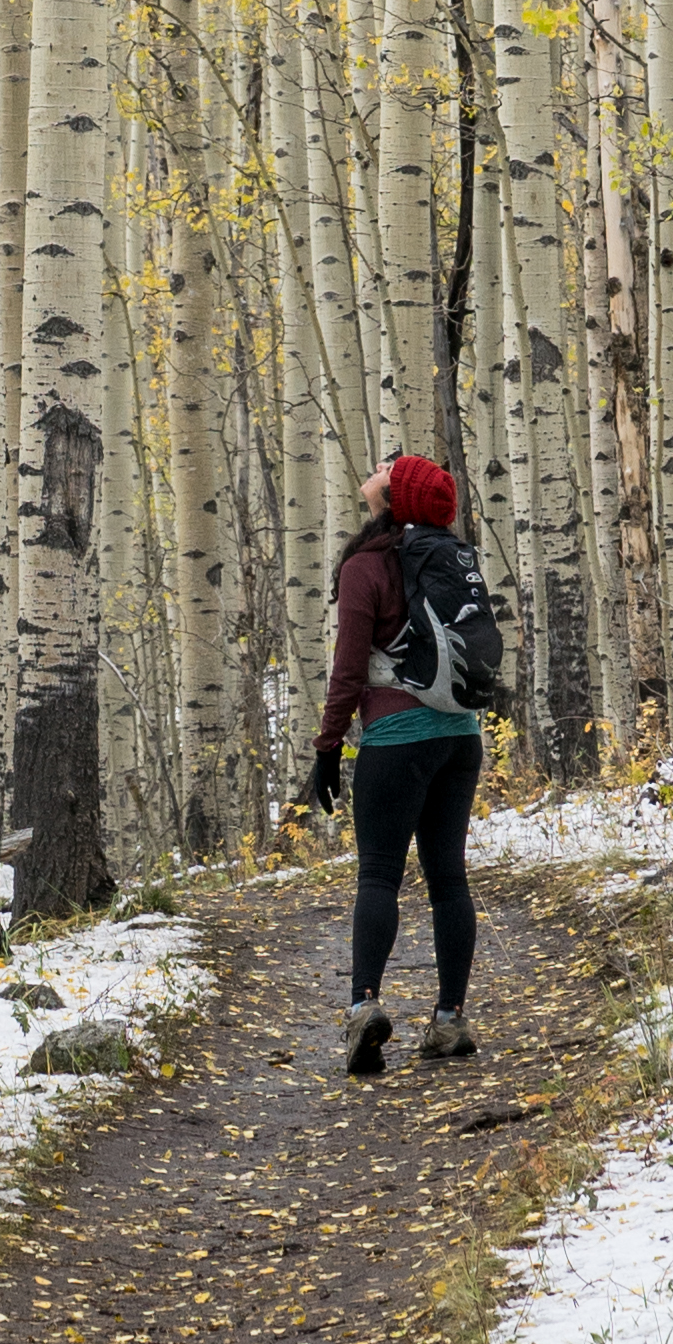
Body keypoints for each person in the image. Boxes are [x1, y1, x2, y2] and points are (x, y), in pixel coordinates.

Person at [305, 450, 484, 1075]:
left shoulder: (367, 566)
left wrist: (328, 749)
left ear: (391, 498)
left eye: (391, 469)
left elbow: (349, 669)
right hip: (461, 736)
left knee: (379, 875)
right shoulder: (448, 560)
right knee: (448, 880)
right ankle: (449, 1021)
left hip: (397, 737)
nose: (379, 466)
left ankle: (364, 1008)